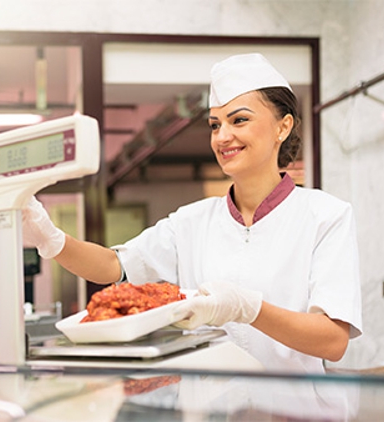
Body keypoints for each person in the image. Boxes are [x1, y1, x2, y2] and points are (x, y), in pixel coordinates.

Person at [22, 53, 362, 372]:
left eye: (239, 120)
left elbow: (332, 341)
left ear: (282, 127)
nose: (223, 136)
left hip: (296, 412)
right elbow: (113, 266)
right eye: (215, 125)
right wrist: (51, 239)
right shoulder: (191, 222)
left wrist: (248, 309)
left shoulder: (326, 216)